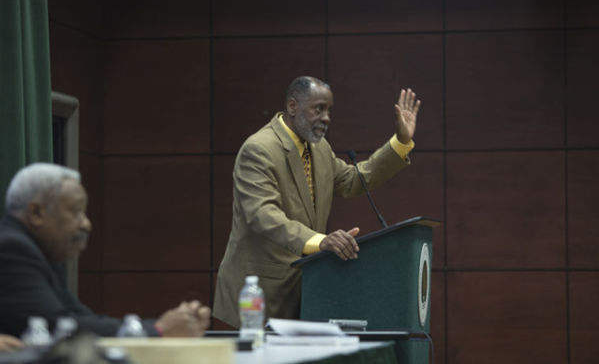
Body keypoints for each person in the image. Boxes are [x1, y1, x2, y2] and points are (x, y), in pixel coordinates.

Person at [213, 76, 421, 328]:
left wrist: (400, 142)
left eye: (329, 110)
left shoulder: (319, 148)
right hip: (258, 295)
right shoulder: (259, 149)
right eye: (318, 109)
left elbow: (354, 180)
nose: (326, 118)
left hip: (306, 289)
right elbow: (262, 214)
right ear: (292, 106)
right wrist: (320, 241)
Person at [0, 163, 211, 338]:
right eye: (76, 212)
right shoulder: (12, 249)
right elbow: (56, 328)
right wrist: (156, 330)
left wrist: (158, 327)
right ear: (36, 213)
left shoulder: (39, 251)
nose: (87, 224)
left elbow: (80, 318)